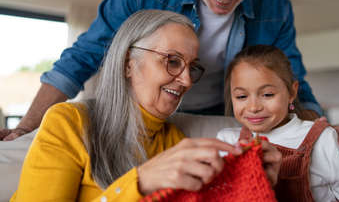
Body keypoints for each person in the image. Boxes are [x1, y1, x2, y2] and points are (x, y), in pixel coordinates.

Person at [1, 0, 339, 163]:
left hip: (218, 113)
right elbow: (86, 54)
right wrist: (28, 126)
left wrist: (318, 130)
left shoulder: (275, 1)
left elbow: (291, 78)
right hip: (141, 109)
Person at [10, 10, 282, 201]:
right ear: (129, 63)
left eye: (192, 67)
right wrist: (139, 183)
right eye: (172, 61)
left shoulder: (175, 141)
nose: (187, 80)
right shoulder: (68, 122)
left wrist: (251, 183)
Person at [217, 45, 339, 202]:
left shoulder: (322, 139)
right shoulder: (227, 141)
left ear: (292, 93)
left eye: (267, 94)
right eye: (241, 96)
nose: (253, 107)